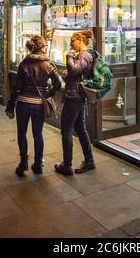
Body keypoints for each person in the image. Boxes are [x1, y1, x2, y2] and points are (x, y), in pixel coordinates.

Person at [5, 35, 61, 176]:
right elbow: (58, 84)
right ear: (42, 48)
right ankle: (37, 164)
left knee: (21, 133)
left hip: (23, 104)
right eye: (45, 46)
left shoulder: (24, 63)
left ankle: (23, 163)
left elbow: (16, 88)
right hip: (39, 105)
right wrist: (48, 93)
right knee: (38, 134)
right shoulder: (49, 65)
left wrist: (10, 107)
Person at [55, 30, 95, 176]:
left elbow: (75, 69)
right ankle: (89, 160)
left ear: (80, 40)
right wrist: (69, 75)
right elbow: (76, 74)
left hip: (75, 97)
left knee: (66, 129)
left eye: (72, 40)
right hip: (78, 95)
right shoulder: (83, 55)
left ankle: (67, 165)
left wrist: (69, 57)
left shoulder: (85, 54)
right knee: (80, 127)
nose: (71, 43)